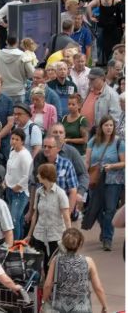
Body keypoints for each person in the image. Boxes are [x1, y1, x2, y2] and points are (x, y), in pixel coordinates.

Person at [42, 228, 108, 312]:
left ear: (63, 243)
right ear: (80, 244)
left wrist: (43, 302)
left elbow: (48, 285)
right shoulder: (88, 261)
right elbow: (98, 288)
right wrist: (104, 306)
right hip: (82, 308)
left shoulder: (56, 260)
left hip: (60, 308)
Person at [84, 115, 124, 252]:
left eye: (111, 125)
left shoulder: (119, 143)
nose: (109, 128)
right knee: (97, 209)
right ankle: (105, 227)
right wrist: (85, 174)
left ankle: (107, 238)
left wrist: (112, 166)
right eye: (106, 125)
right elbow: (87, 160)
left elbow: (124, 162)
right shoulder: (93, 141)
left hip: (113, 181)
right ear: (101, 127)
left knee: (110, 209)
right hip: (96, 179)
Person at [4, 129, 32, 240]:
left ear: (22, 142)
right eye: (12, 138)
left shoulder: (25, 156)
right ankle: (19, 241)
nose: (14, 141)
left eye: (17, 139)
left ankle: (15, 242)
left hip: (19, 192)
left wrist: (17, 187)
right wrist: (6, 181)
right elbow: (9, 169)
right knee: (18, 219)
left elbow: (27, 175)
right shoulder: (12, 151)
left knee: (13, 219)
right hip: (10, 189)